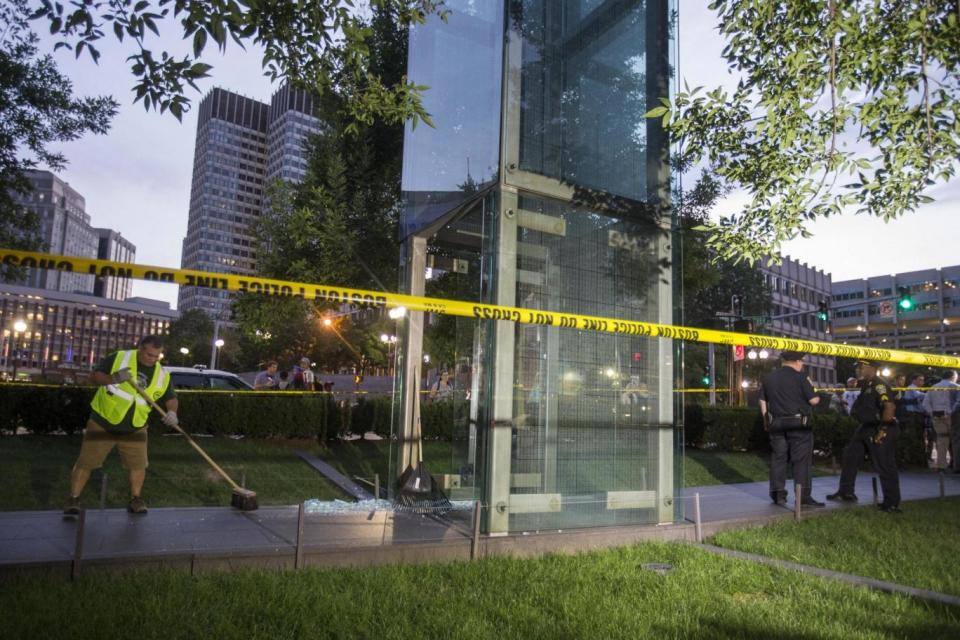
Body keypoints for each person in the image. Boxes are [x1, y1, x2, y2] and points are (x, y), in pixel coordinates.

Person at [63, 335, 178, 515]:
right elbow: (94, 377)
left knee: (138, 465)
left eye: (157, 356)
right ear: (140, 348)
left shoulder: (162, 374)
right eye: (149, 354)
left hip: (136, 427)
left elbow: (171, 398)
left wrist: (172, 412)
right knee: (86, 462)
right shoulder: (119, 357)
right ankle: (74, 499)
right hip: (103, 422)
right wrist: (114, 378)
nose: (153, 359)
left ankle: (136, 499)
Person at [827, 360, 901, 512]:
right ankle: (846, 491)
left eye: (861, 367)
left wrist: (883, 429)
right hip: (866, 427)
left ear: (871, 368)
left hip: (880, 427)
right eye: (857, 367)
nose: (857, 370)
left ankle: (891, 502)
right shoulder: (866, 384)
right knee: (850, 456)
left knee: (884, 465)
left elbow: (889, 406)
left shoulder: (879, 385)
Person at [758, 350, 823, 507]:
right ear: (797, 362)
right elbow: (814, 400)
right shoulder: (801, 376)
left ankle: (778, 494)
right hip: (798, 424)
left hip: (777, 423)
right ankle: (803, 496)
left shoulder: (769, 377)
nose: (803, 364)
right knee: (801, 460)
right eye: (802, 362)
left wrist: (766, 420)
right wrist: (819, 395)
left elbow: (762, 400)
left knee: (778, 458)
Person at [921, 370, 959, 472]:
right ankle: (956, 464)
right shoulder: (955, 386)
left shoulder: (933, 387)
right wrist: (951, 411)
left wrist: (932, 413)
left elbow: (925, 403)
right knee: (956, 441)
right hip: (953, 417)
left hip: (937, 416)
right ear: (953, 376)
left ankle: (941, 466)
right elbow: (958, 402)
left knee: (942, 440)